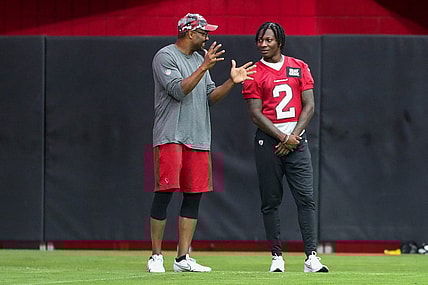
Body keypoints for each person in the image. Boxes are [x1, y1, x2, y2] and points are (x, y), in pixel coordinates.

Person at [147, 13, 256, 273]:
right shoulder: (165, 56)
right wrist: (204, 67)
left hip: (199, 139)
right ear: (189, 33)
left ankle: (182, 258)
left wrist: (231, 81)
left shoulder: (199, 59)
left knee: (193, 197)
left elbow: (210, 97)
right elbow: (177, 90)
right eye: (203, 32)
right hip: (170, 136)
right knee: (164, 194)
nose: (208, 37)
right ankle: (156, 256)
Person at [242, 22, 329, 273]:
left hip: (296, 141)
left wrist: (293, 135)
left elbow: (309, 105)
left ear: (279, 41)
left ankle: (311, 257)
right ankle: (277, 257)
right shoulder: (254, 72)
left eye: (268, 40)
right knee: (270, 201)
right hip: (269, 141)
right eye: (259, 40)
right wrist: (282, 136)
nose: (263, 44)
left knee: (306, 199)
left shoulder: (299, 66)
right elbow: (255, 113)